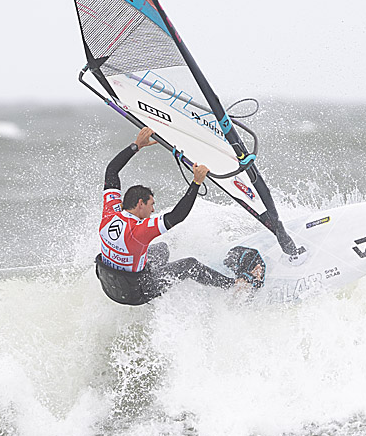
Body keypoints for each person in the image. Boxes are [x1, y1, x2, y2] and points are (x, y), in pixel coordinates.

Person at [95, 127, 264, 305]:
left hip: (109, 285)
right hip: (135, 294)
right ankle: (235, 285)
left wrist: (136, 145)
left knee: (162, 249)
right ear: (140, 204)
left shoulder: (110, 214)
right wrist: (196, 182)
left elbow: (111, 171)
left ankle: (153, 276)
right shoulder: (139, 232)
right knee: (190, 265)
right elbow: (177, 216)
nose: (153, 210)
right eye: (151, 205)